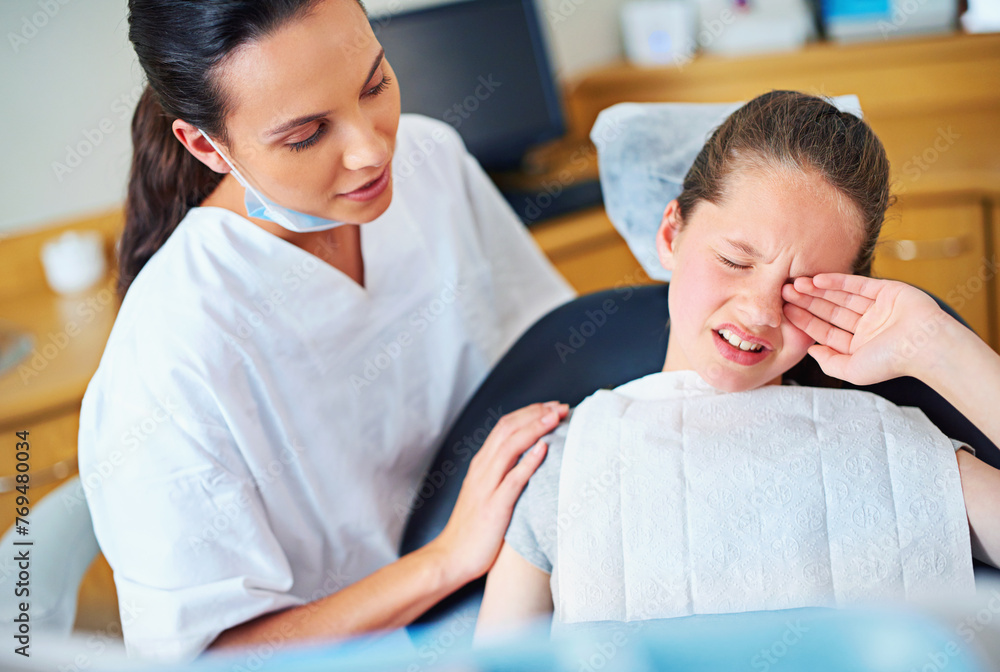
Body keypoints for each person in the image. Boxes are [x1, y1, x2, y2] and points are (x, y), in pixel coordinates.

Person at [78, 0, 574, 661]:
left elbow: (554, 350)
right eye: (306, 135)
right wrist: (446, 559)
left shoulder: (430, 161)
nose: (372, 150)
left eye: (374, 84)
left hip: (530, 577)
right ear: (206, 145)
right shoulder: (171, 354)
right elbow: (214, 658)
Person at [475, 90, 1000, 636]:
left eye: (800, 289)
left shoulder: (892, 448)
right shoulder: (572, 463)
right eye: (734, 260)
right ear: (670, 234)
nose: (759, 311)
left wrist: (939, 345)